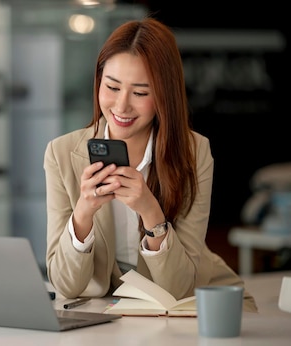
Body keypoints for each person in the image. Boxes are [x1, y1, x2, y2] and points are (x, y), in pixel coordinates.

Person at [43, 17, 257, 312]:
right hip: (110, 314)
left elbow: (180, 288)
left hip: (196, 306)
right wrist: (83, 214)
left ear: (164, 96)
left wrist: (150, 212)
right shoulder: (61, 153)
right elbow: (66, 285)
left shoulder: (195, 152)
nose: (121, 106)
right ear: (98, 82)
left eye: (140, 93)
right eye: (112, 87)